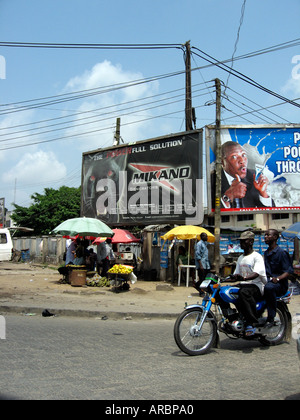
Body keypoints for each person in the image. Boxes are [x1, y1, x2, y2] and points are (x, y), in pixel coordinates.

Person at [212, 141, 274, 209]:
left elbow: (271, 215)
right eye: (234, 156)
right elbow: (210, 212)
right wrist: (228, 196)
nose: (242, 161)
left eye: (243, 155)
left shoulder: (253, 176)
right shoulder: (211, 180)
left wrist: (263, 193)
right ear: (223, 163)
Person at [231, 231, 267, 336]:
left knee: (243, 292)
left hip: (256, 286)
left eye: (244, 241)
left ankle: (251, 322)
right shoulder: (240, 258)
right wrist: (224, 279)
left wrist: (245, 278)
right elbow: (236, 275)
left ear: (251, 242)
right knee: (225, 291)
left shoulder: (257, 256)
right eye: (240, 241)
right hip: (244, 284)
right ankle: (232, 317)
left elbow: (256, 274)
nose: (241, 243)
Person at [263, 229, 293, 326]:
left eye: (268, 235)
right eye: (265, 235)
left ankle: (271, 318)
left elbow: (288, 271)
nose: (265, 237)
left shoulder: (281, 253)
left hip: (279, 285)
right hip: (269, 281)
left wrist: (278, 278)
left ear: (275, 237)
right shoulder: (266, 253)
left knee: (268, 288)